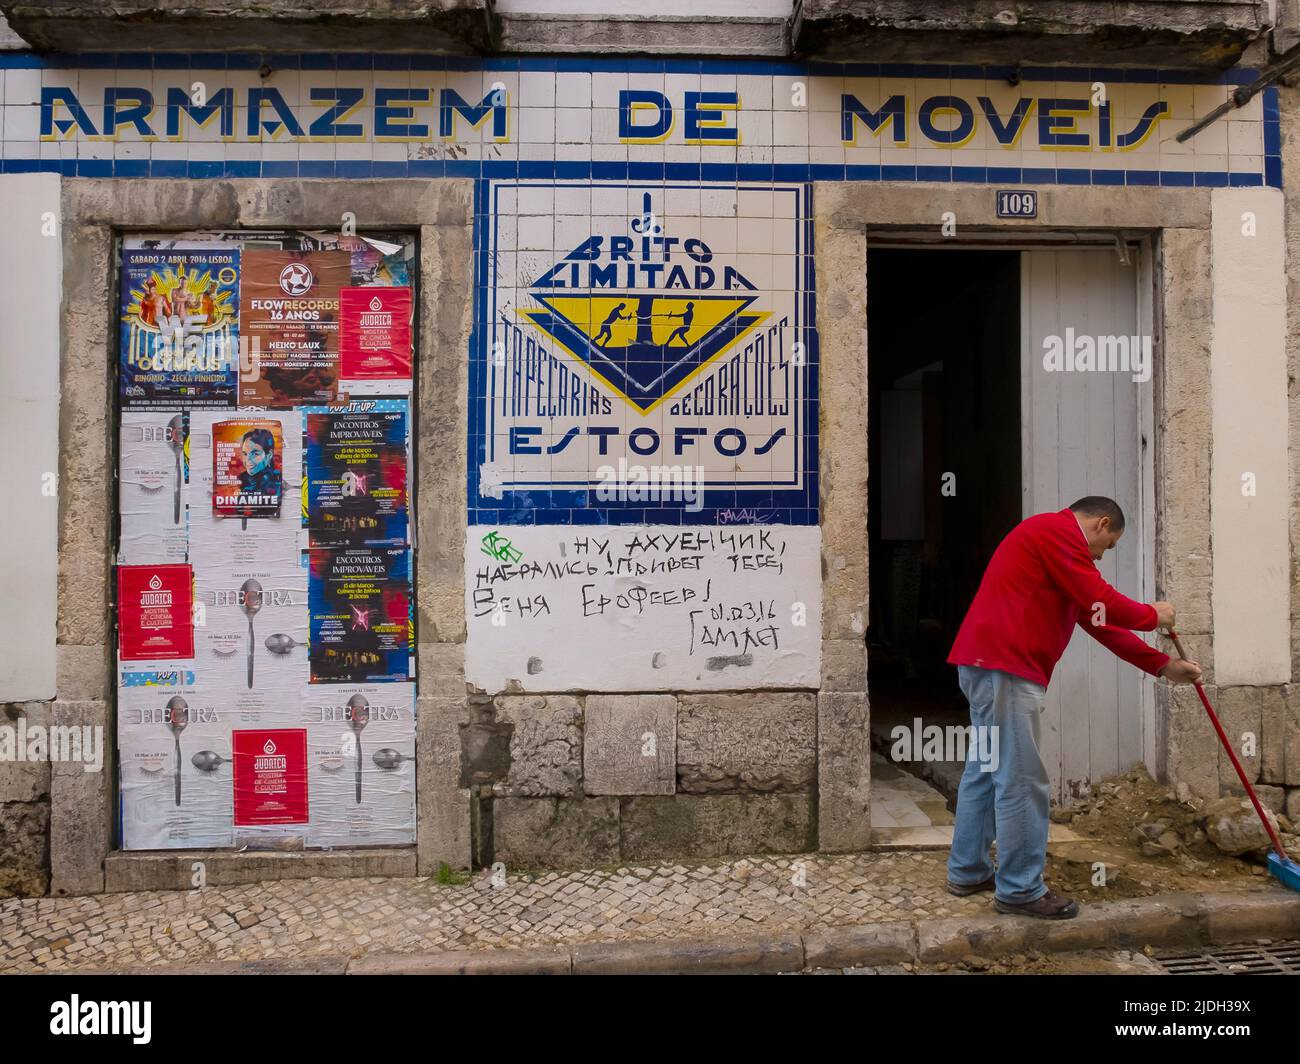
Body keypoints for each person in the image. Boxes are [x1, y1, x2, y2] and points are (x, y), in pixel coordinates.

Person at [945, 496, 1202, 919]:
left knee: (986, 771)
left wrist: (1161, 665)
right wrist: (1152, 615)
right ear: (1101, 524)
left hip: (986, 667)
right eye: (1108, 545)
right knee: (1022, 781)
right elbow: (1105, 600)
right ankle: (1020, 890)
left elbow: (1098, 620)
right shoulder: (1057, 532)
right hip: (1007, 670)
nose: (1101, 556)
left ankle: (969, 870)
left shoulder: (1053, 548)